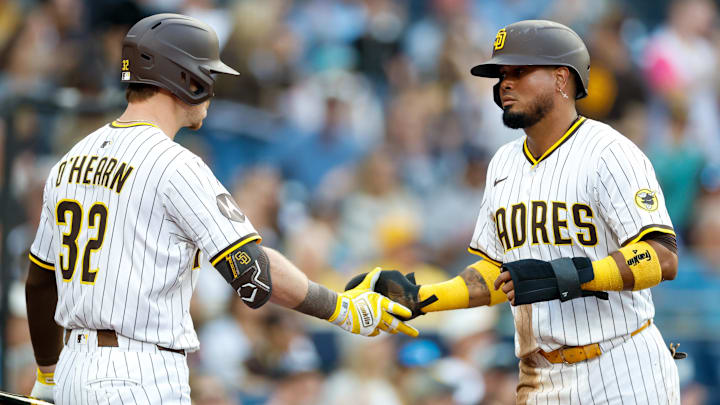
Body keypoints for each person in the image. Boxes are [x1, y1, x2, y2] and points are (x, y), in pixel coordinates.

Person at [24, 13, 417, 405]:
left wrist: (48, 373)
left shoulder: (70, 160)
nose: (211, 89)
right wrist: (343, 310)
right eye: (205, 76)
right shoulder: (175, 165)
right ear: (183, 79)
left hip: (75, 366)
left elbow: (41, 282)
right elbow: (253, 274)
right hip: (137, 373)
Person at [353, 20, 682, 404]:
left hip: (622, 366)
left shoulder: (610, 152)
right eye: (502, 74)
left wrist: (567, 275)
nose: (504, 83)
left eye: (520, 72)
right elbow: (496, 272)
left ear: (562, 79)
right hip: (540, 376)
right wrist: (420, 297)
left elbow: (662, 256)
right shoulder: (503, 164)